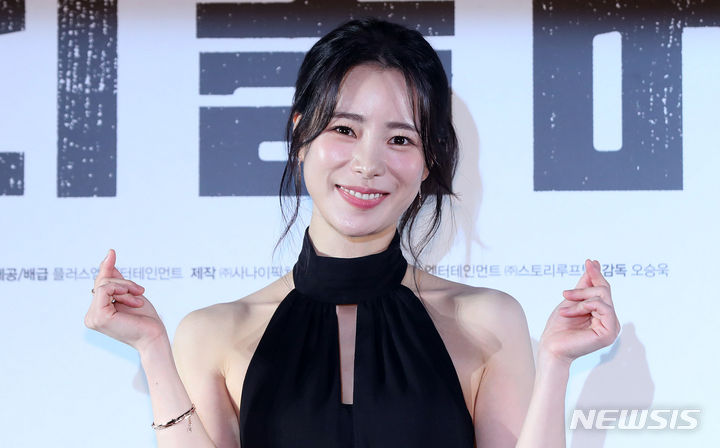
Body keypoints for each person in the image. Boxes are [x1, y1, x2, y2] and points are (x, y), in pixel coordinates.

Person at [84, 18, 620, 448]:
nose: (368, 164)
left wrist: (556, 365)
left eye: (400, 139)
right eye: (344, 129)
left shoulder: (489, 321)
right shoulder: (213, 332)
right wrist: (152, 349)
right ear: (301, 137)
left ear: (429, 162)